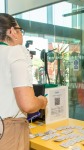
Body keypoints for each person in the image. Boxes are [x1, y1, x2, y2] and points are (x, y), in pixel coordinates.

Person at [0, 13, 47, 150]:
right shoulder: (15, 52)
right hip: (8, 131)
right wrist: (41, 101)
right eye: (20, 30)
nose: (22, 35)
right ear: (12, 31)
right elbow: (27, 104)